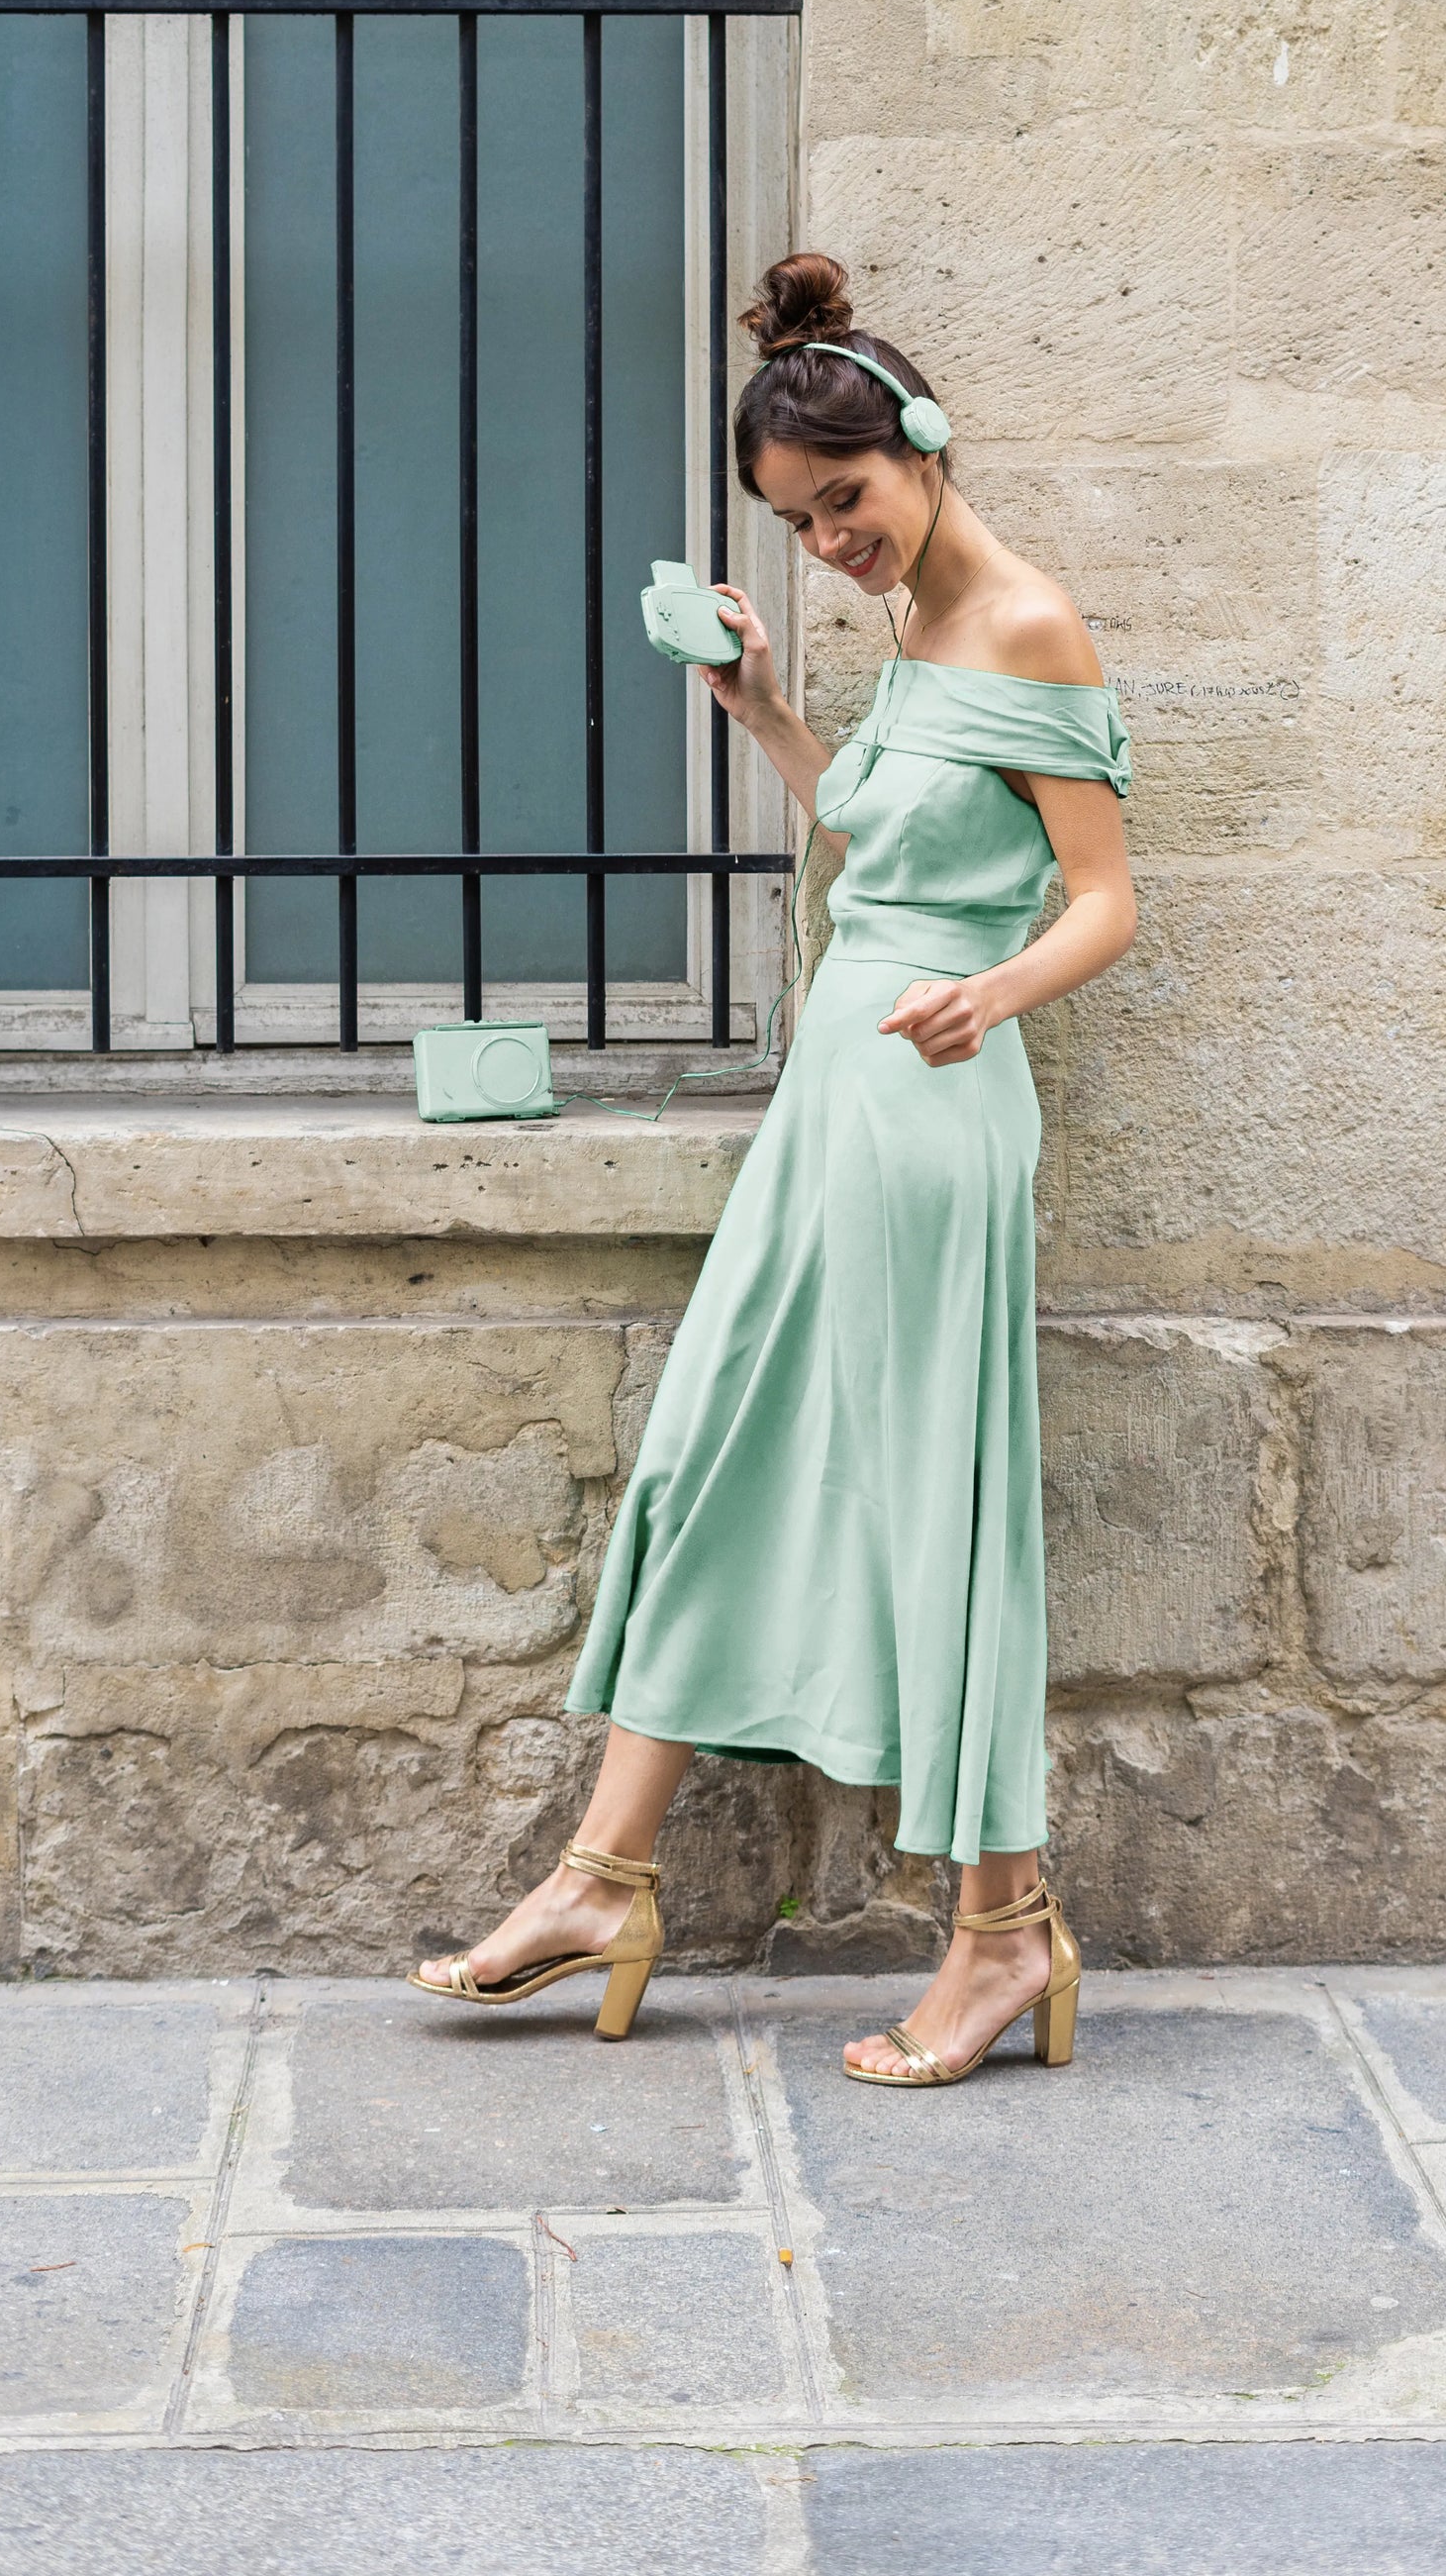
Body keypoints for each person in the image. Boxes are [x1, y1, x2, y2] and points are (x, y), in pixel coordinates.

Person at [410, 250, 1136, 2086]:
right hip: (845, 1088)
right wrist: (761, 712)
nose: (834, 544)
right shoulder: (904, 645)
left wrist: (994, 994)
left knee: (932, 1504)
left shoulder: (1034, 626)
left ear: (921, 452)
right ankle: (602, 1875)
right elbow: (882, 835)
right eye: (801, 527)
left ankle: (998, 1934)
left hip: (932, 1093)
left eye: (846, 503)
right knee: (722, 1446)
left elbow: (1107, 902)